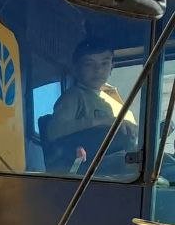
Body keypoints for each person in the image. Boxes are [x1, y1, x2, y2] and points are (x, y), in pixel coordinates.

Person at [44, 37, 138, 172]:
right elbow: (54, 131)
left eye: (104, 63)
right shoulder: (74, 96)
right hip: (87, 172)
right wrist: (104, 121)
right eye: (89, 64)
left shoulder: (112, 104)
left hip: (116, 165)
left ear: (112, 67)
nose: (98, 70)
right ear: (76, 68)